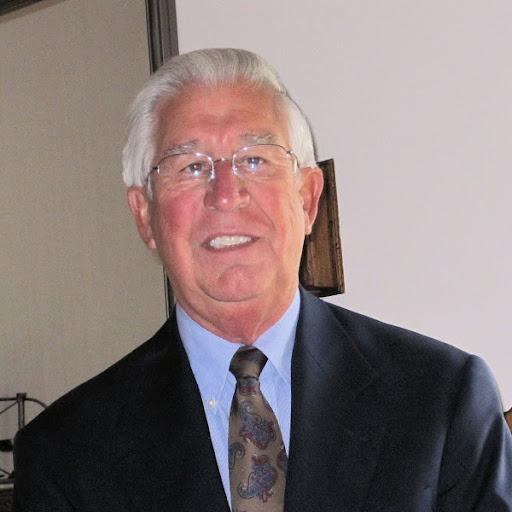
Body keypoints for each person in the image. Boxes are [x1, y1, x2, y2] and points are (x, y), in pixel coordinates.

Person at [13, 48, 512, 511]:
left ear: (308, 199)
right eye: (190, 167)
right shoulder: (65, 455)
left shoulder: (441, 401)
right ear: (144, 216)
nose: (225, 195)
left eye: (255, 159)